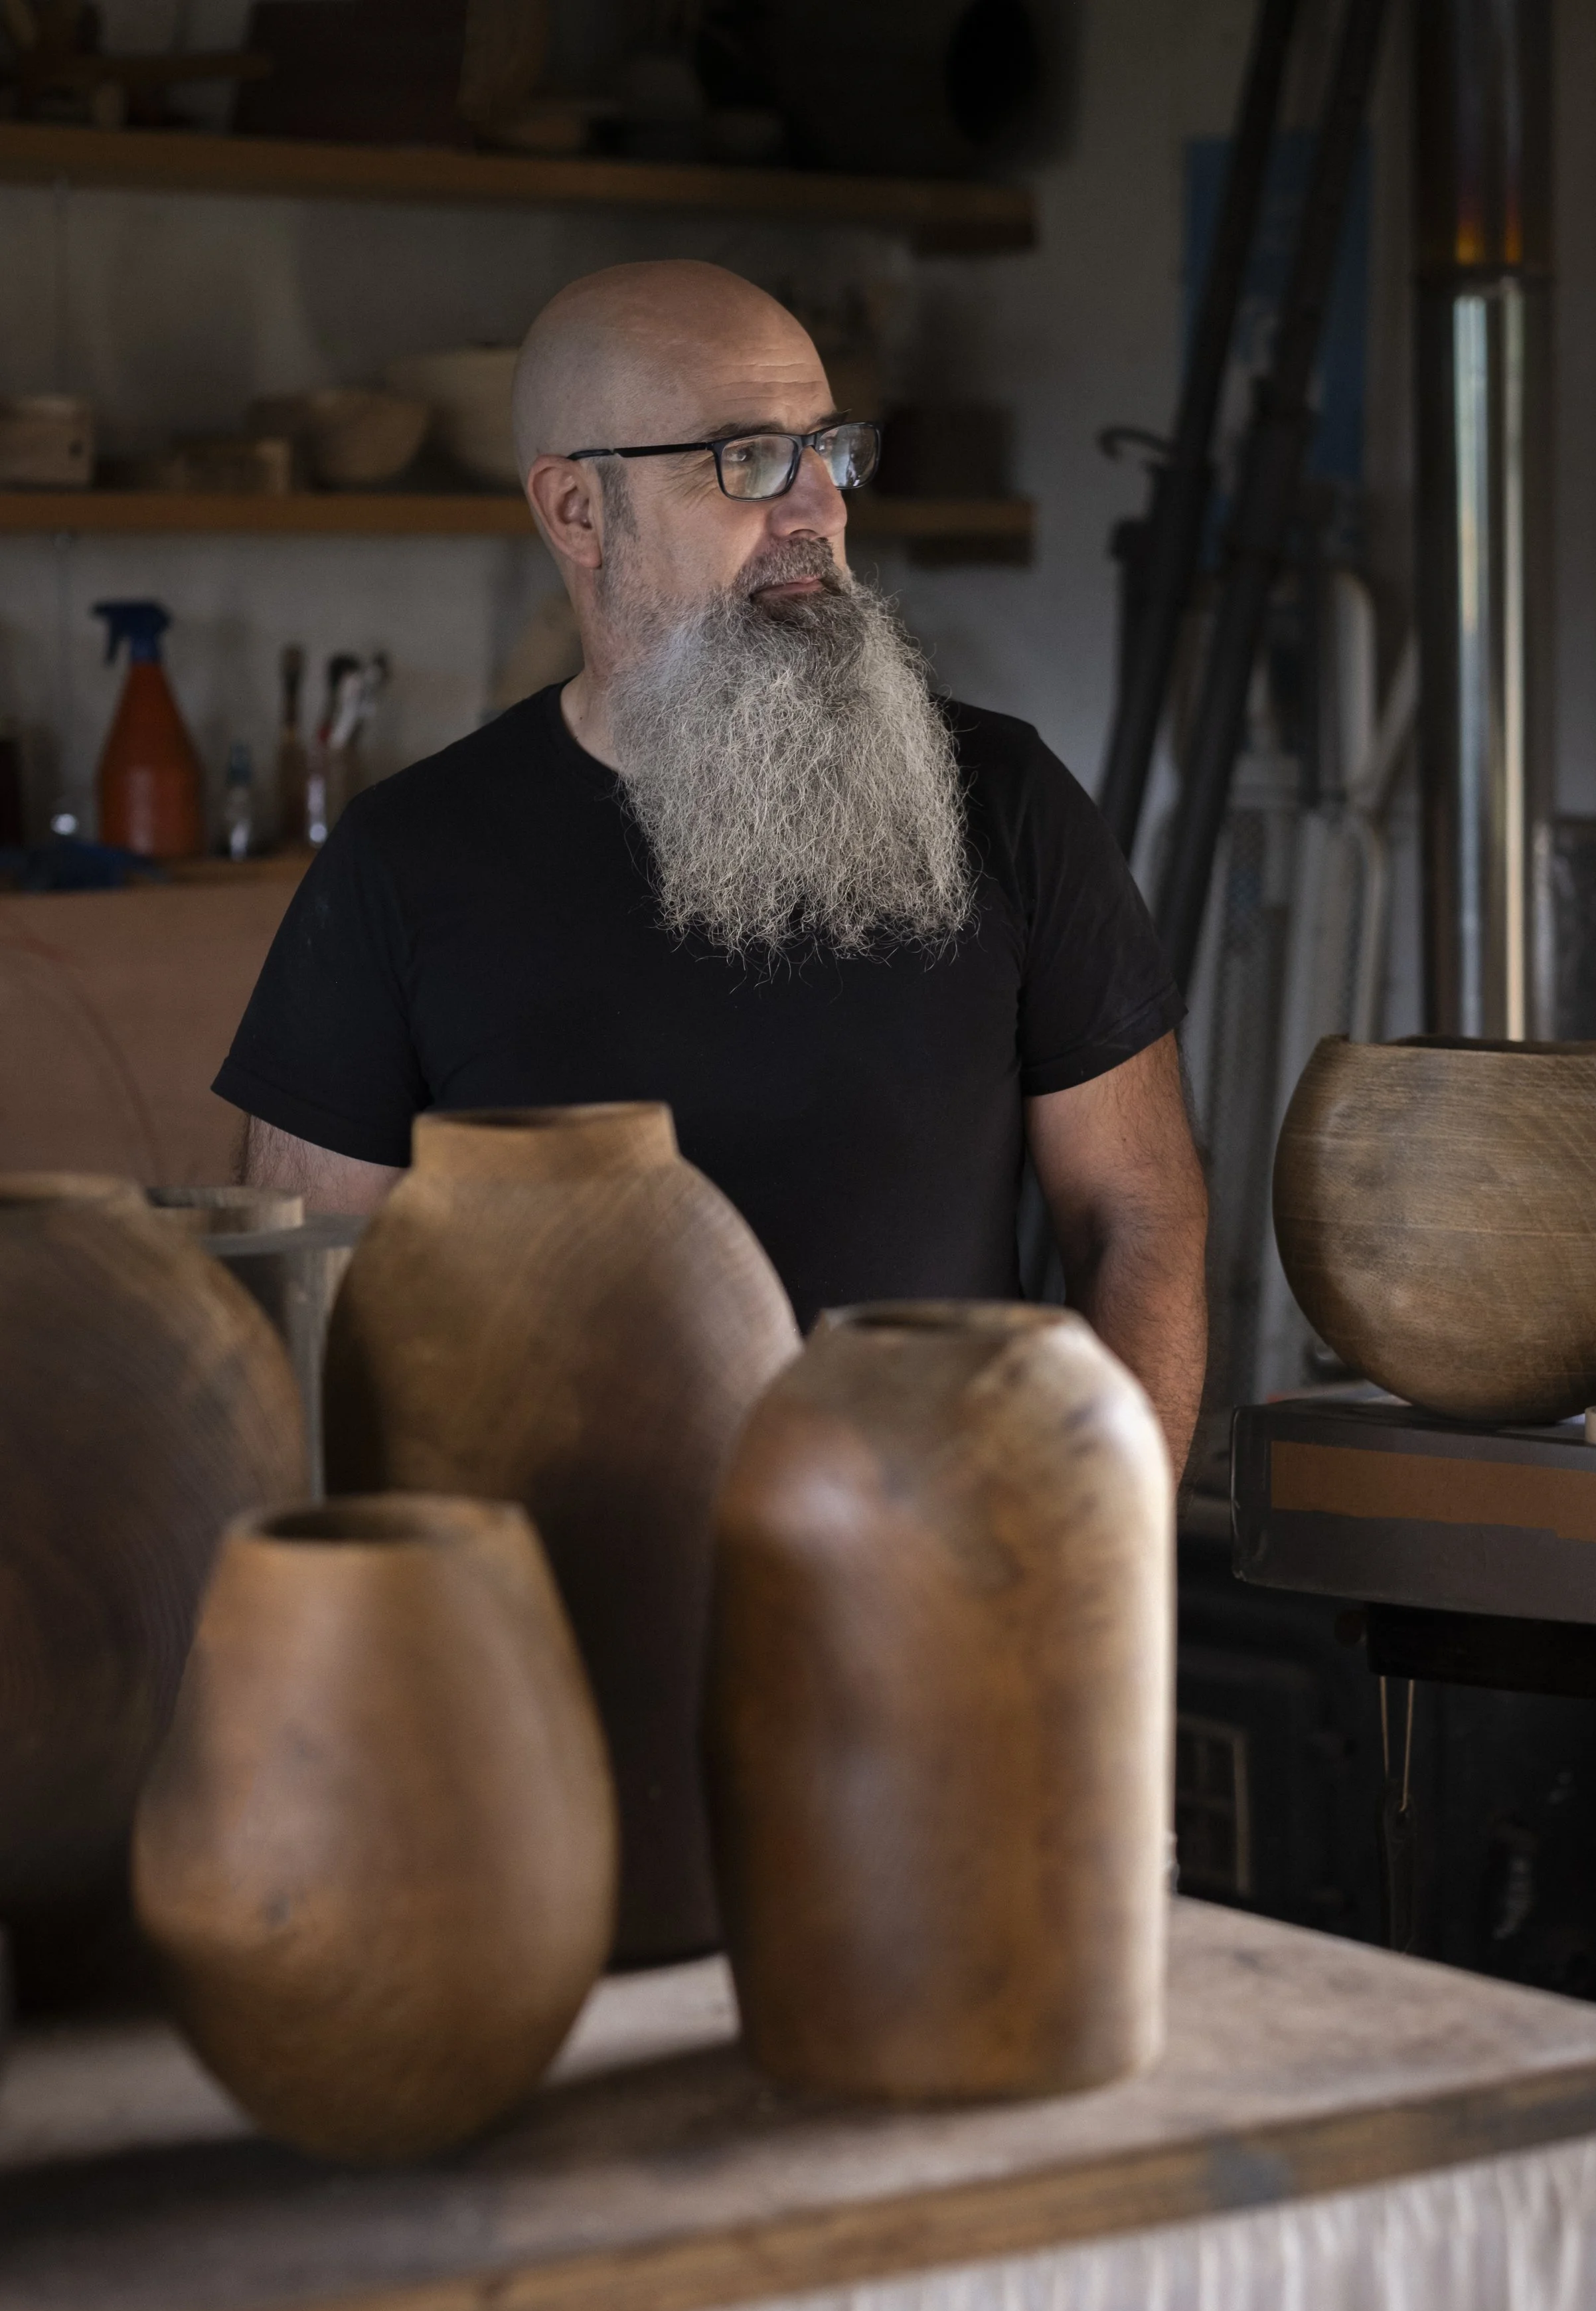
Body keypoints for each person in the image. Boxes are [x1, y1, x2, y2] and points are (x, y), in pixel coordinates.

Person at [220, 260, 1208, 1472]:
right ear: (577, 512)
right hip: (546, 1621)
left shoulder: (1006, 804)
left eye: (829, 449)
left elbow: (1139, 1217)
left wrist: (1103, 1550)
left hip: (946, 1603)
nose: (817, 509)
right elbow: (304, 1301)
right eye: (744, 460)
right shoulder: (401, 864)